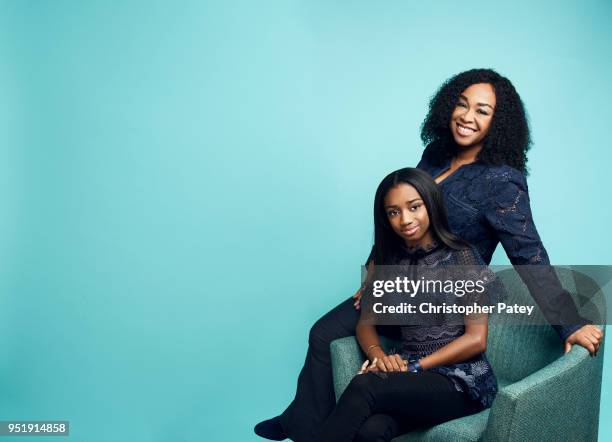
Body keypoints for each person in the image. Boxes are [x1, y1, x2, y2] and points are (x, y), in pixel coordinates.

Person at [254, 69, 603, 442]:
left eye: (482, 111)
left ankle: (309, 426)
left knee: (365, 381)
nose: (467, 117)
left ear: (498, 123)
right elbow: (401, 209)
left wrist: (568, 322)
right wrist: (375, 267)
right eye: (462, 104)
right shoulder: (436, 153)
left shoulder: (501, 181)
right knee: (323, 334)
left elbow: (528, 253)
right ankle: (302, 423)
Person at [318, 167, 497, 441]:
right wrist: (379, 357)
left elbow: (476, 340)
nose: (405, 219)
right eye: (393, 212)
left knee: (366, 386)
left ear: (431, 204)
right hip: (412, 378)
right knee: (371, 431)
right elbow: (366, 323)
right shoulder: (389, 261)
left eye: (414, 207)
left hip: (462, 383)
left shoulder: (462, 257)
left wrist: (415, 367)